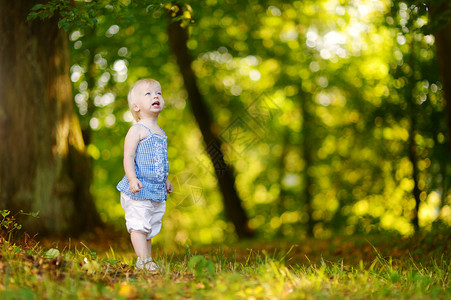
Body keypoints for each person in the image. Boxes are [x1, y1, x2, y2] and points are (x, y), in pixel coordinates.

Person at [116, 78, 173, 272]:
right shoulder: (137, 129)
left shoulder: (160, 131)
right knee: (139, 225)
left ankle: (146, 260)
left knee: (149, 227)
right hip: (139, 188)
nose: (155, 96)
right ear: (136, 106)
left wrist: (165, 179)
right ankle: (144, 261)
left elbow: (160, 161)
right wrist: (132, 178)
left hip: (155, 188)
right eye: (148, 94)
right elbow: (128, 156)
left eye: (158, 93)